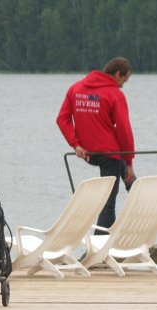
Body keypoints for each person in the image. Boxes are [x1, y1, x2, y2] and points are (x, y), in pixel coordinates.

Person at [56, 56, 136, 230]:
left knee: (131, 183)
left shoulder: (75, 89)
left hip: (89, 153)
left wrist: (76, 145)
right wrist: (129, 162)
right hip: (110, 154)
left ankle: (140, 205)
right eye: (124, 80)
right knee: (108, 204)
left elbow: (62, 119)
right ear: (117, 74)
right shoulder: (115, 94)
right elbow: (125, 131)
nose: (122, 85)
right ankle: (101, 250)